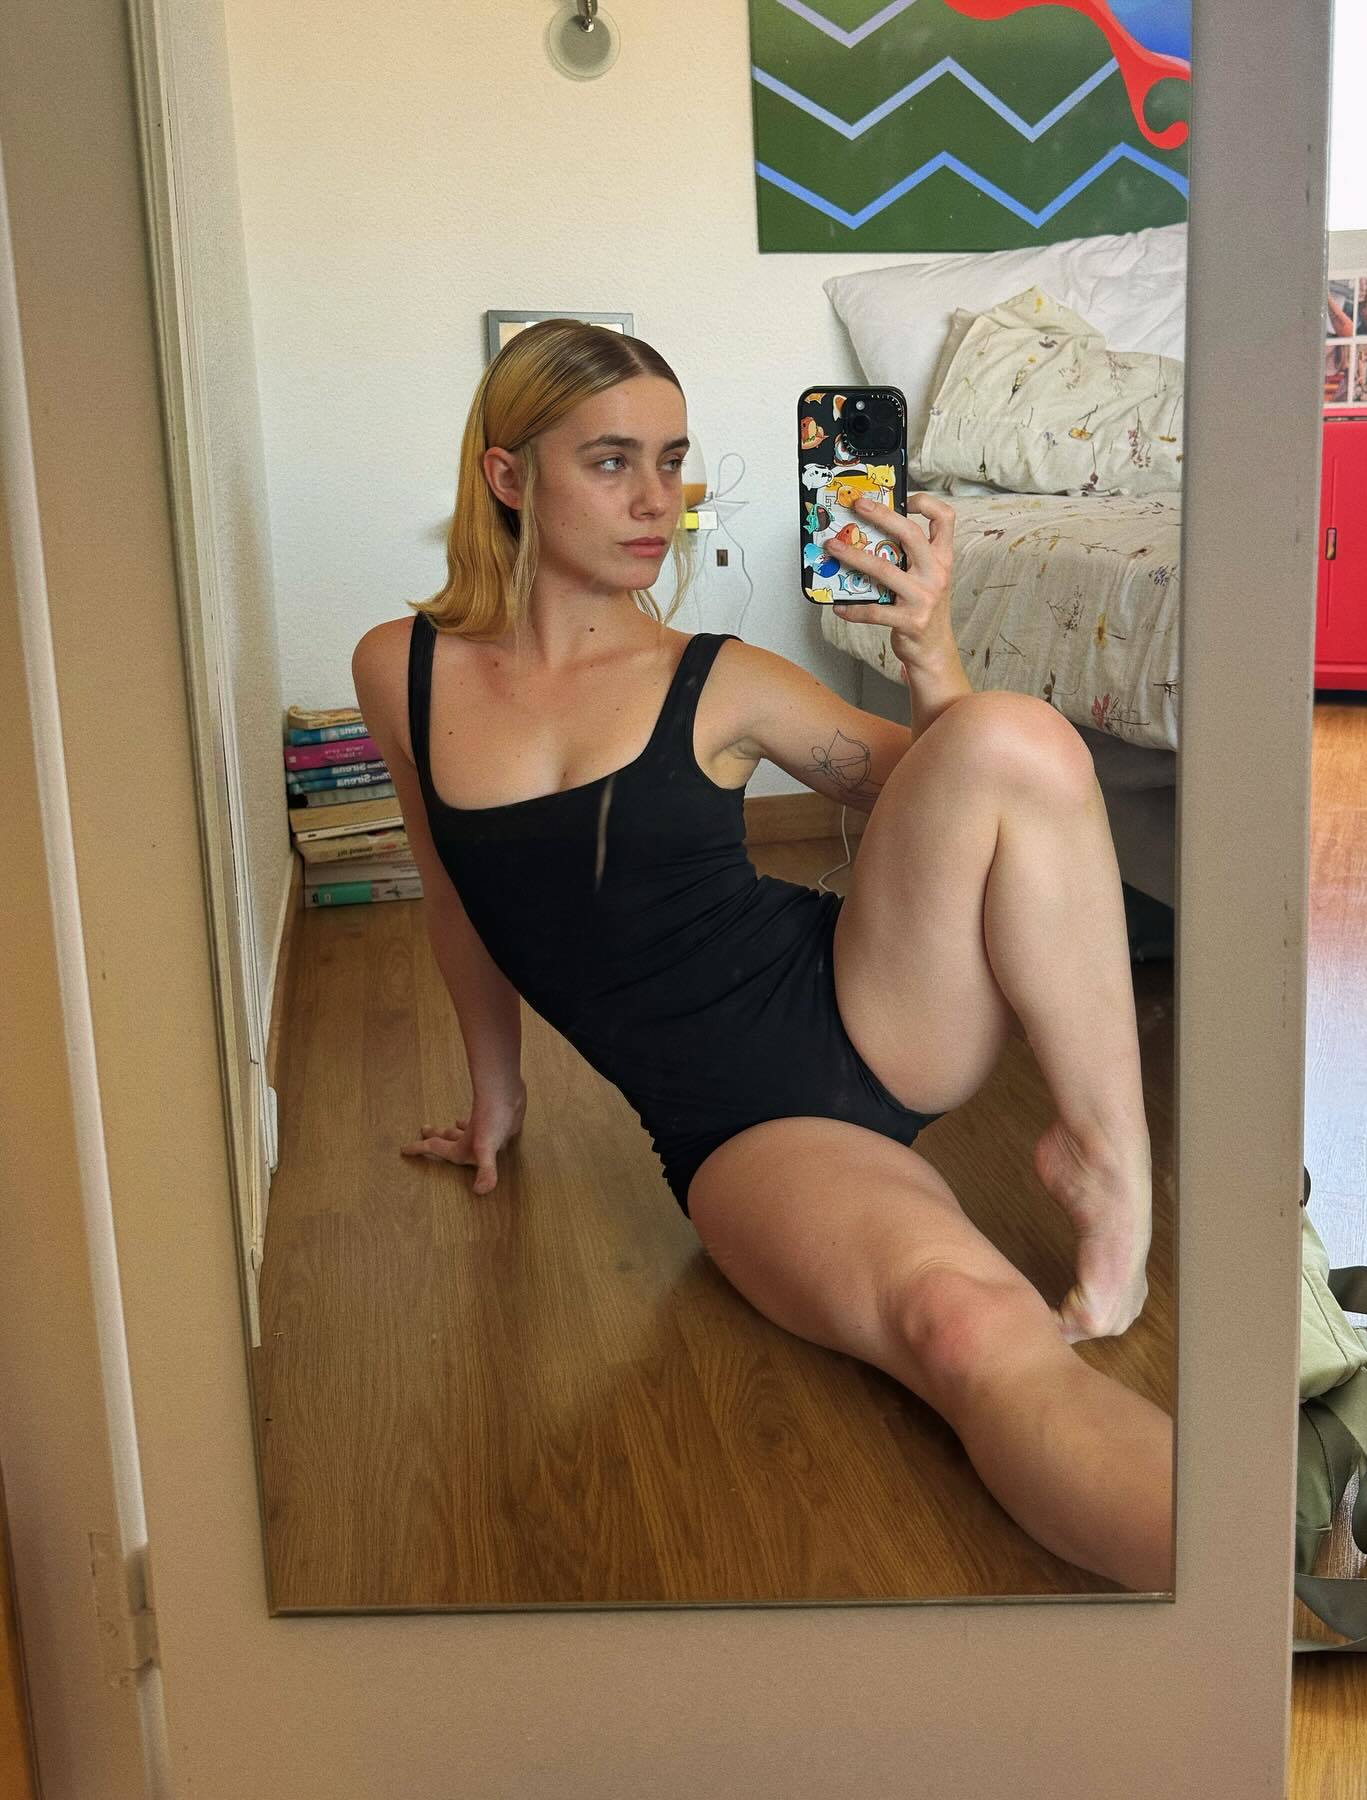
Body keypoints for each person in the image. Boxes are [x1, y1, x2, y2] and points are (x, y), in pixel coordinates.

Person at [349, 319, 1173, 1594]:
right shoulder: (400, 671)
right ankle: (1264, 1592)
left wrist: (929, 651)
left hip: (873, 1002)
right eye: (612, 461)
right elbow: (455, 895)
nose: (657, 499)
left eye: (673, 460)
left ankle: (1107, 1163)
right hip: (739, 1129)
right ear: (508, 476)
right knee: (964, 1328)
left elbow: (972, 796)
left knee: (1013, 735)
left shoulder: (719, 680)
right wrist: (495, 1098)